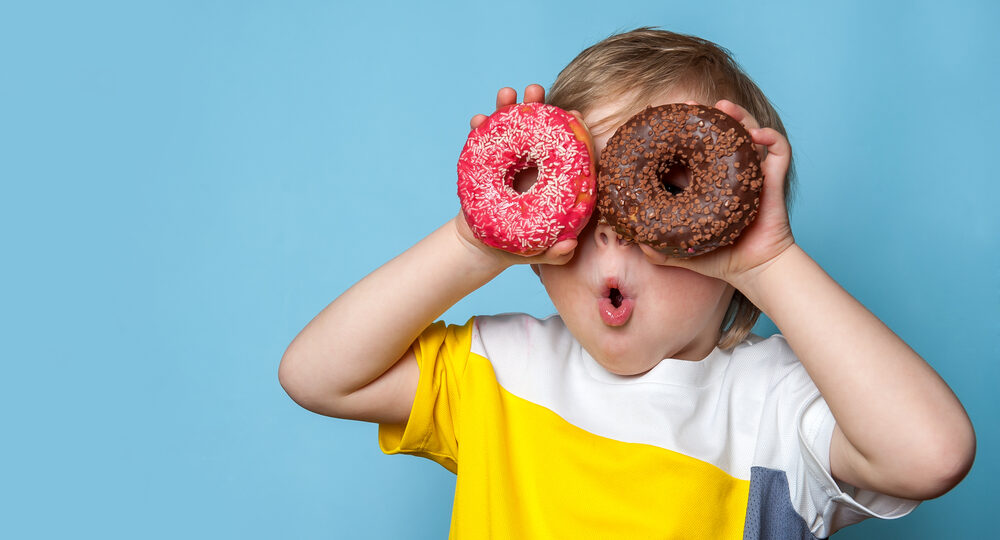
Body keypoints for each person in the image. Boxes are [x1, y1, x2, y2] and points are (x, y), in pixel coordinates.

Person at [278, 28, 975, 538]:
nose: (614, 228)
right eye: (582, 195)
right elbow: (317, 375)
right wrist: (476, 241)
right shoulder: (499, 373)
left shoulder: (775, 411)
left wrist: (769, 263)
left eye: (667, 191)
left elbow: (932, 455)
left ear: (730, 221)